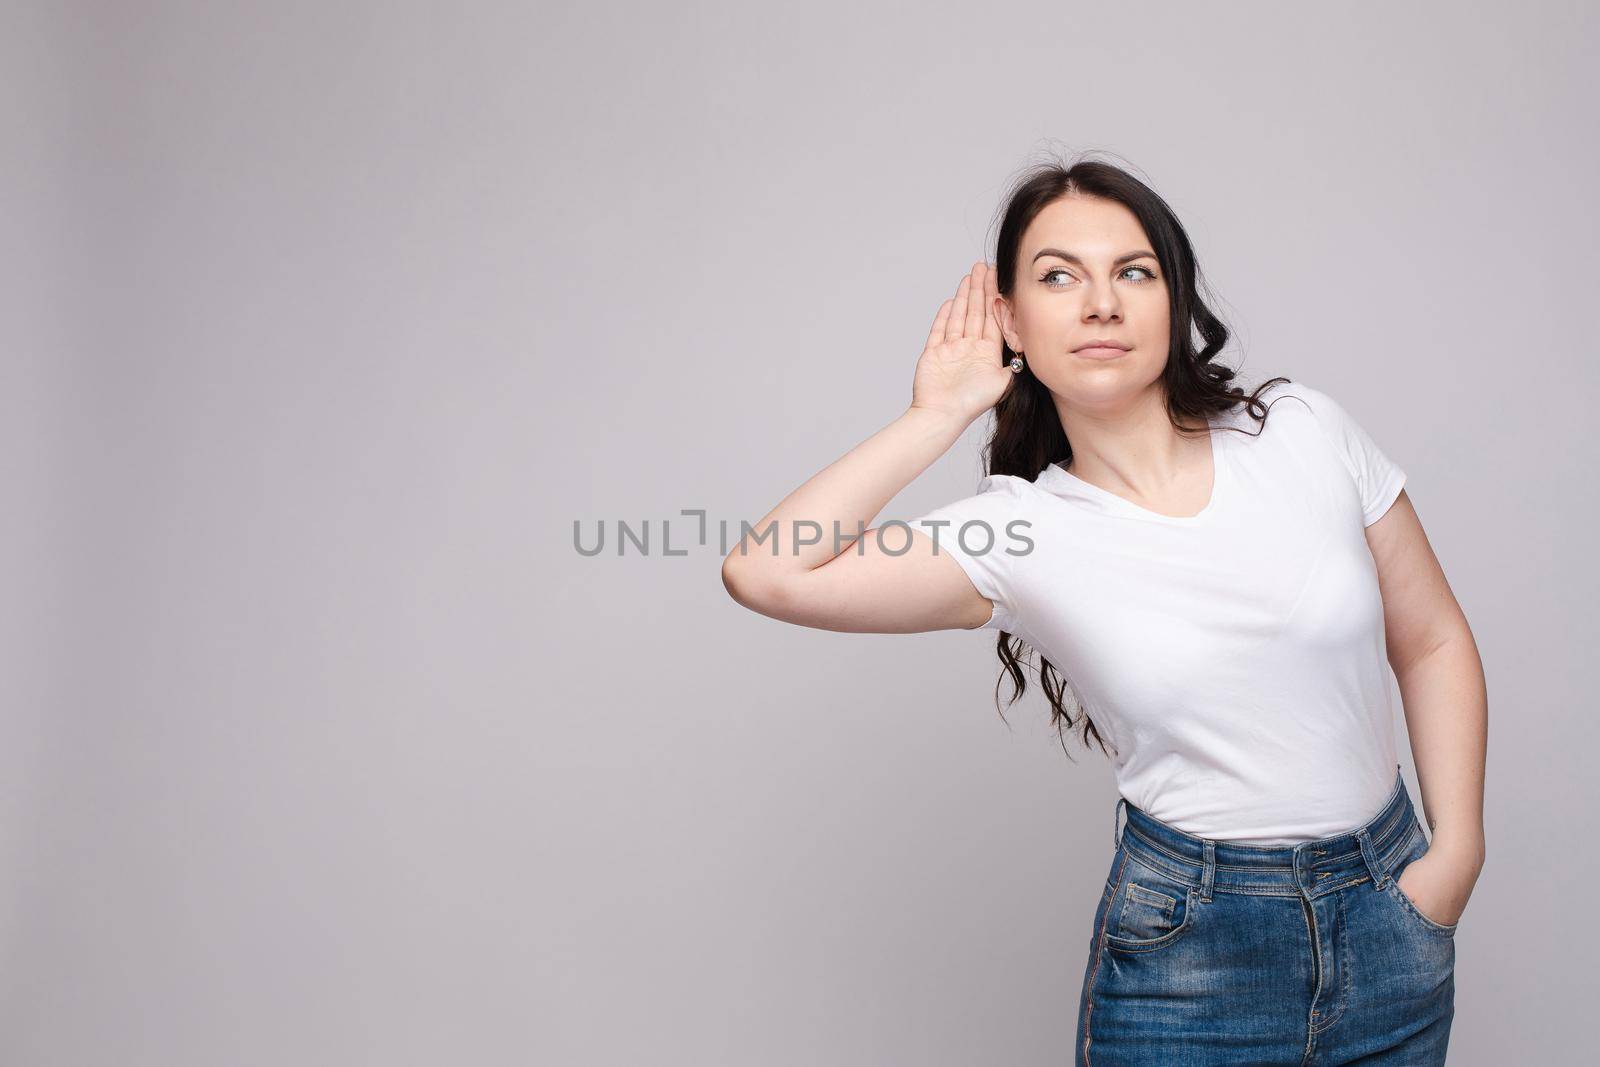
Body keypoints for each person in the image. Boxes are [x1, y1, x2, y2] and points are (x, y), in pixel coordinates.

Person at [719, 156, 1487, 1065]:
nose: (1101, 304)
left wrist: (1456, 855)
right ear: (1009, 318)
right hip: (1188, 958)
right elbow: (766, 572)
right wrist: (938, 414)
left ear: (1174, 297)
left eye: (1134, 271)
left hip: (1392, 912)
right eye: (1058, 276)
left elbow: (1432, 638)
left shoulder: (1301, 430)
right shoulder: (1016, 535)